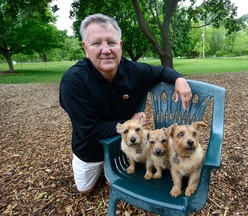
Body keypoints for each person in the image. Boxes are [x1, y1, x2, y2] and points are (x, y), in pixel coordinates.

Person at [59, 13, 192, 195]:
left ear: (120, 46)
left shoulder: (133, 70)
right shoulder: (73, 82)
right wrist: (131, 122)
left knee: (116, 183)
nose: (106, 50)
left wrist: (179, 79)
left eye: (111, 42)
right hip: (89, 150)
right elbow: (89, 131)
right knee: (86, 191)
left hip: (126, 146)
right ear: (85, 48)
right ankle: (95, 170)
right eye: (96, 43)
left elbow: (161, 71)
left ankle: (109, 169)